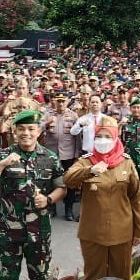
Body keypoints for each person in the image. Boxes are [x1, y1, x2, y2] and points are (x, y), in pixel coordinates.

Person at [0, 109, 67, 280]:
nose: (26, 133)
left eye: (30, 129)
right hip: (9, 231)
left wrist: (48, 199)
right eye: (21, 129)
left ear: (38, 131)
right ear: (14, 132)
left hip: (39, 231)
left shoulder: (50, 157)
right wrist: (2, 164)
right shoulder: (2, 155)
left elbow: (62, 188)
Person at [64, 115, 140, 280]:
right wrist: (90, 170)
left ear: (115, 138)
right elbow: (68, 180)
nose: (102, 140)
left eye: (108, 136)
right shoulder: (86, 161)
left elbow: (135, 198)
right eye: (99, 136)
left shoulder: (126, 163)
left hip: (122, 232)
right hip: (92, 232)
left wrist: (137, 231)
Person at [42, 92, 80, 221]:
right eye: (58, 101)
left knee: (68, 183)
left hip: (68, 155)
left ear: (68, 101)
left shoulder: (73, 116)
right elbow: (38, 129)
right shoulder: (48, 115)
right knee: (50, 183)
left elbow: (77, 138)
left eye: (63, 101)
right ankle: (51, 208)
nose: (61, 103)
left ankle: (68, 210)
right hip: (51, 154)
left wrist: (76, 156)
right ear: (54, 101)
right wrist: (47, 123)